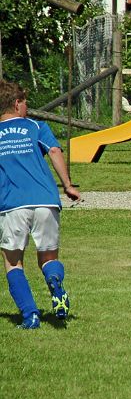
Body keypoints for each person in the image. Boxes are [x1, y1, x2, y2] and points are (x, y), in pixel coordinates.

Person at [0, 80, 80, 329]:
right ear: (17, 103)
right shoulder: (37, 126)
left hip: (12, 204)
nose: (27, 108)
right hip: (46, 200)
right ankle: (55, 283)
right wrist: (67, 184)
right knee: (47, 257)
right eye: (25, 103)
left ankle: (30, 316)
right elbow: (55, 151)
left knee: (13, 262)